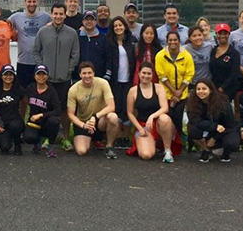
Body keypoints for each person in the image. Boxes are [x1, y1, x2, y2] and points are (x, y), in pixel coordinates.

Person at [32, 3, 79, 152]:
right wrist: (42, 70)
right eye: (55, 14)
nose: (58, 16)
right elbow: (36, 52)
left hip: (64, 79)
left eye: (61, 14)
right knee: (48, 111)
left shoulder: (72, 33)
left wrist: (69, 70)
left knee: (65, 111)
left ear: (65, 15)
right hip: (47, 80)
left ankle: (65, 138)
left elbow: (75, 54)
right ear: (51, 14)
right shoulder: (43, 32)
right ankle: (47, 138)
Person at [67, 62, 122, 158]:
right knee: (81, 151)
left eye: (89, 73)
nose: (87, 76)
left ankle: (109, 146)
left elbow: (111, 106)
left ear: (94, 73)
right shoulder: (73, 90)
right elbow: (70, 114)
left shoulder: (103, 83)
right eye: (84, 73)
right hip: (84, 123)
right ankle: (91, 140)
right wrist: (84, 125)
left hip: (99, 121)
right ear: (80, 75)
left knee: (113, 117)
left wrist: (95, 117)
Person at [125, 63, 176, 163]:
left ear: (152, 75)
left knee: (164, 118)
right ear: (139, 73)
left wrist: (152, 117)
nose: (146, 76)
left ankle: (167, 151)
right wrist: (139, 128)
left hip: (158, 124)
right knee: (146, 155)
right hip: (143, 126)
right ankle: (152, 144)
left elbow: (165, 108)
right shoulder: (133, 91)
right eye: (143, 73)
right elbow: (130, 113)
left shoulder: (159, 88)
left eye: (149, 73)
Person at [187, 79, 239, 163]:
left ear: (210, 90)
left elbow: (229, 124)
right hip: (207, 127)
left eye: (204, 89)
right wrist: (214, 126)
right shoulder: (192, 102)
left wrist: (214, 138)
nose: (201, 91)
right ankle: (206, 149)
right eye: (198, 89)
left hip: (223, 129)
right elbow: (194, 120)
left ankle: (225, 153)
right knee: (192, 130)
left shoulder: (223, 102)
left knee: (233, 143)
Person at [8, 0, 51, 88]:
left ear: (37, 2)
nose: (32, 4)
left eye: (34, 1)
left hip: (39, 62)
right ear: (25, 2)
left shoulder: (46, 16)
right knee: (22, 92)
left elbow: (58, 23)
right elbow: (4, 25)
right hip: (23, 61)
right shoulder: (16, 17)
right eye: (29, 2)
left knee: (39, 90)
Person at [155, 31, 194, 137]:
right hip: (165, 94)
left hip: (182, 95)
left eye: (175, 40)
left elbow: (189, 74)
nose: (173, 42)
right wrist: (174, 92)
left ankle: (179, 142)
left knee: (178, 119)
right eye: (170, 40)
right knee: (167, 119)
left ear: (179, 41)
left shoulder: (186, 55)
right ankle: (166, 141)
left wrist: (179, 92)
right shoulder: (160, 55)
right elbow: (161, 75)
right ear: (167, 41)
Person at [107, 16, 136, 149]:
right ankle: (118, 137)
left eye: (120, 25)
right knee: (117, 109)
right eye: (115, 26)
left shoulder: (132, 41)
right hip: (115, 81)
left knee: (127, 109)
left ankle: (126, 137)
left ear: (125, 26)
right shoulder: (109, 43)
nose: (118, 28)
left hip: (129, 81)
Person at [22, 65, 62, 157]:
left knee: (54, 121)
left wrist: (41, 115)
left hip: (47, 122)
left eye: (44, 74)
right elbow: (23, 98)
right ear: (34, 76)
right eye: (38, 74)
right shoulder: (30, 88)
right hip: (34, 122)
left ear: (47, 76)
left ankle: (50, 146)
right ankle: (37, 141)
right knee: (28, 138)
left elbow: (58, 111)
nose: (41, 77)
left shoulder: (51, 91)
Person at [0, 65, 26, 155]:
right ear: (1, 76)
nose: (8, 77)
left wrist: (23, 117)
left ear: (14, 76)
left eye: (11, 75)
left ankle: (17, 145)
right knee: (5, 147)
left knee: (15, 126)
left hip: (15, 120)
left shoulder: (19, 89)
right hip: (2, 123)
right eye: (6, 75)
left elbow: (25, 103)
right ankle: (8, 137)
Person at [76, 10, 111, 82]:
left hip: (98, 78)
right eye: (87, 19)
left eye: (92, 19)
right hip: (78, 78)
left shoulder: (103, 38)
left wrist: (107, 74)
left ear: (96, 21)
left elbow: (108, 57)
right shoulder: (76, 36)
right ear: (83, 21)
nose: (89, 22)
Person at [210, 23, 241, 102]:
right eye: (220, 33)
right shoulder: (213, 50)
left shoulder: (234, 53)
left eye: (225, 33)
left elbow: (234, 74)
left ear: (229, 34)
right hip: (213, 88)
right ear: (216, 34)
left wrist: (222, 88)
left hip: (228, 90)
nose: (222, 36)